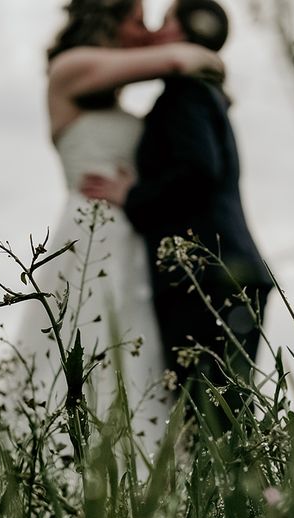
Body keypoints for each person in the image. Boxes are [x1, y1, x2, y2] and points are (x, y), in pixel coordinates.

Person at [0, 0, 225, 472]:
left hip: (136, 241)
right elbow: (182, 60)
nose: (145, 31)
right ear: (109, 18)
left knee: (134, 358)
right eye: (138, 20)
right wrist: (200, 51)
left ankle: (131, 479)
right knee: (76, 354)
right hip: (90, 235)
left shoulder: (117, 95)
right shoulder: (69, 70)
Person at [81, 0, 273, 429]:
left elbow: (196, 172)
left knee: (211, 420)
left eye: (163, 22)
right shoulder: (202, 95)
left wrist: (132, 195)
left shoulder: (184, 94)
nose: (154, 31)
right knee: (222, 418)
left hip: (208, 275)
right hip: (228, 270)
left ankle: (246, 497)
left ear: (181, 34)